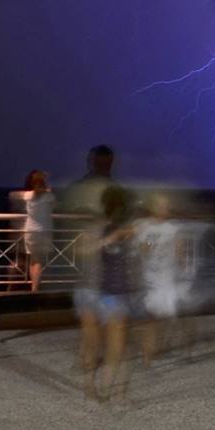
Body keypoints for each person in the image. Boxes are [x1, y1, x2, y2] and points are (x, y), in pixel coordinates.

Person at [61, 145, 124, 373]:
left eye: (107, 163)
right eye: (101, 162)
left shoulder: (113, 189)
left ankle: (90, 356)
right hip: (88, 256)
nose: (104, 166)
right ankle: (88, 355)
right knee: (90, 308)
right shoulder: (83, 187)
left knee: (99, 309)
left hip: (105, 258)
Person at [87, 185, 138, 403]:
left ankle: (111, 389)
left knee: (116, 345)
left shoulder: (114, 231)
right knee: (118, 347)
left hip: (109, 292)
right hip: (115, 293)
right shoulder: (116, 232)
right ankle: (110, 390)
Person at [134, 193, 185, 365]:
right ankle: (148, 355)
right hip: (150, 279)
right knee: (151, 319)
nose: (166, 209)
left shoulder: (173, 227)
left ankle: (156, 349)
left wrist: (181, 270)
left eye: (167, 205)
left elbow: (180, 253)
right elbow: (140, 250)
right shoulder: (144, 226)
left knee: (164, 317)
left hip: (167, 279)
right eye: (162, 205)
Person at [10, 169, 56, 291]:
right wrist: (47, 189)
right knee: (39, 261)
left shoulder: (28, 195)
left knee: (33, 261)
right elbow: (54, 206)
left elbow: (12, 195)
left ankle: (33, 286)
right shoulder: (49, 196)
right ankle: (35, 288)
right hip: (44, 232)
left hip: (30, 232)